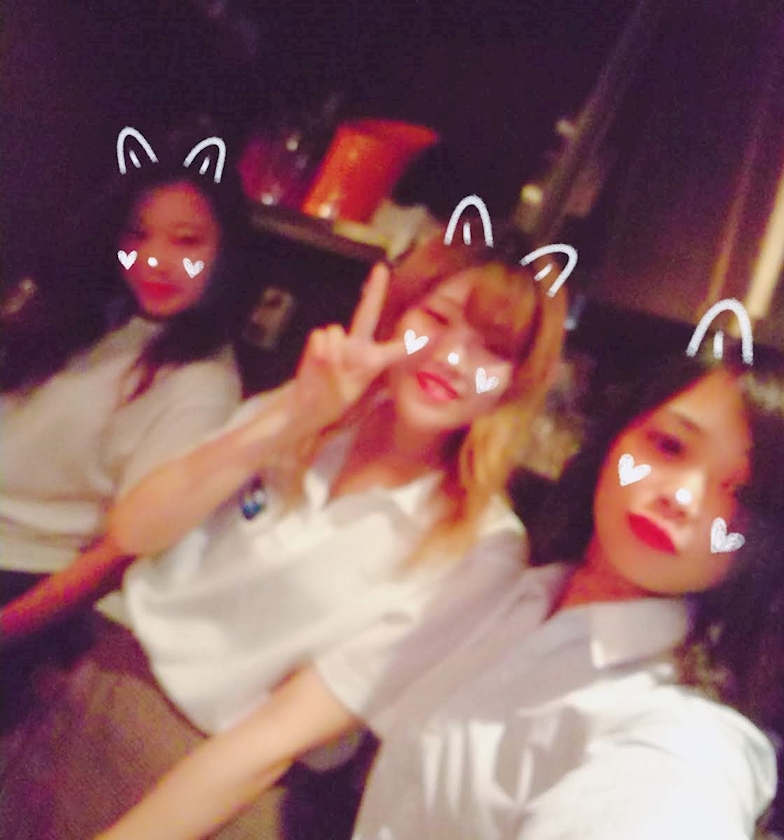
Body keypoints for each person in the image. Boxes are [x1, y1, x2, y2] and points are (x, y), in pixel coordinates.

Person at [0, 230, 567, 839]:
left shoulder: (482, 548)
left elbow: (275, 737)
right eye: (436, 319)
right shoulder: (313, 413)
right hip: (97, 684)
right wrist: (294, 416)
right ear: (398, 312)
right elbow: (136, 529)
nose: (452, 359)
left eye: (492, 349)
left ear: (516, 381)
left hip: (209, 776)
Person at [343, 346, 784, 840]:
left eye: (742, 495)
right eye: (669, 446)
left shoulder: (680, 749)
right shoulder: (517, 587)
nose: (681, 497)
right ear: (614, 439)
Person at [0, 121, 246, 601]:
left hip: (25, 571)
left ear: (225, 253)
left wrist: (9, 628)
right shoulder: (92, 317)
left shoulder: (201, 382)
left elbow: (119, 555)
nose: (153, 259)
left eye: (186, 240)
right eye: (137, 234)